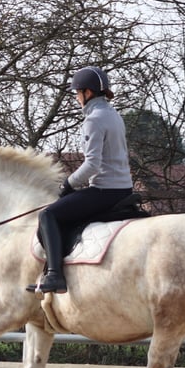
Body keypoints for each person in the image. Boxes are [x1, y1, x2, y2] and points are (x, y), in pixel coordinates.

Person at [26, 66, 134, 294]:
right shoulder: (113, 115)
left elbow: (92, 164)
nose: (76, 98)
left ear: (88, 92)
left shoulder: (94, 119)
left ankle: (55, 275)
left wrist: (68, 184)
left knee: (48, 214)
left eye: (77, 93)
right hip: (123, 187)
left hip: (105, 190)